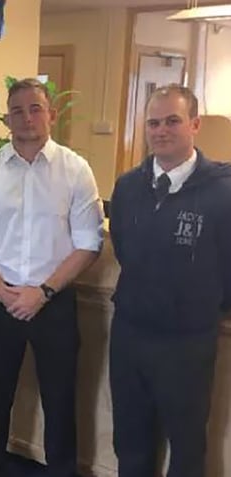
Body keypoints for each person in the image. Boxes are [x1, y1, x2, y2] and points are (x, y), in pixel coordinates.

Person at [0, 78, 104, 477]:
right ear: (7, 119)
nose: (27, 118)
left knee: (60, 401)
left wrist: (41, 293)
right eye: (18, 111)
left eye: (35, 108)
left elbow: (89, 244)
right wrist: (2, 292)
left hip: (53, 302)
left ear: (52, 115)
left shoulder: (75, 170)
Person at [109, 84, 231, 477]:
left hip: (187, 342)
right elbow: (125, 249)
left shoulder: (223, 190)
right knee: (129, 439)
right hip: (130, 335)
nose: (161, 130)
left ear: (194, 124)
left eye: (173, 121)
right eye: (154, 122)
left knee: (186, 444)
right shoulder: (128, 186)